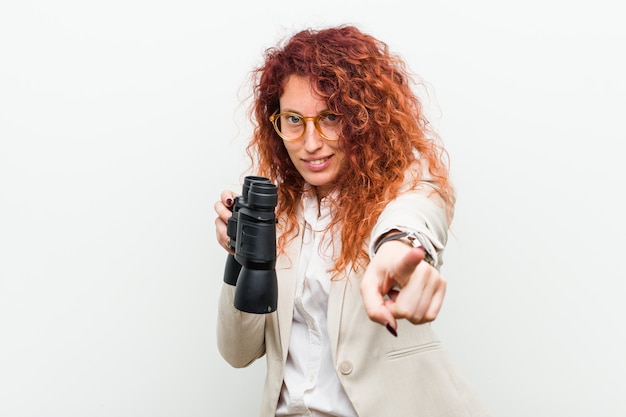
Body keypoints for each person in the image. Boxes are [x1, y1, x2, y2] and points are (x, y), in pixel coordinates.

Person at [214, 25, 492, 417]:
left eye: (330, 117)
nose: (310, 143)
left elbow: (414, 217)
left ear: (363, 120)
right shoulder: (280, 214)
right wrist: (240, 257)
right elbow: (238, 352)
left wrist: (398, 251)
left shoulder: (410, 182)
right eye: (294, 120)